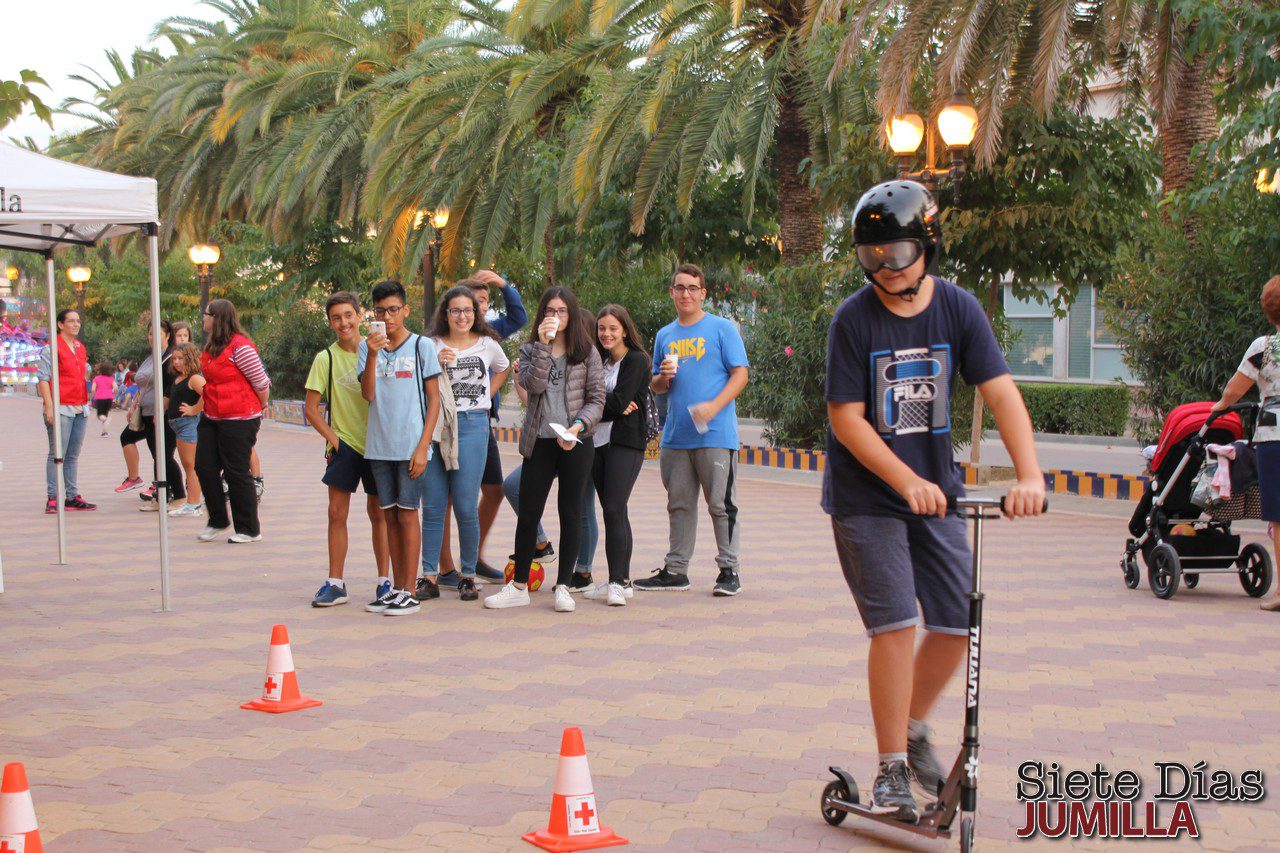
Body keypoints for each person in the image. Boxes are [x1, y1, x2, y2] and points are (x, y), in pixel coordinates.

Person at [825, 180, 1044, 821]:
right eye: (871, 258)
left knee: (955, 621)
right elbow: (847, 420)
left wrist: (1027, 475)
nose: (884, 270)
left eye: (896, 255)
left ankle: (913, 725)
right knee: (894, 624)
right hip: (869, 498)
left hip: (935, 496)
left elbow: (1001, 394)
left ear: (928, 246)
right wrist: (905, 481)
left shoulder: (958, 308)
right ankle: (891, 767)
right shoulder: (853, 320)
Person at [485, 286, 604, 612]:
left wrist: (578, 426)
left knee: (571, 513)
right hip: (539, 440)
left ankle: (564, 586)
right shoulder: (529, 350)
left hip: (575, 442)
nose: (556, 317)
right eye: (550, 311)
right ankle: (519, 584)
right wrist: (542, 345)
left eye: (562, 311)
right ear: (542, 315)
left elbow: (597, 399)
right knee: (529, 514)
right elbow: (533, 387)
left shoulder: (587, 352)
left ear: (572, 315)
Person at [638, 263, 749, 596]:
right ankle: (676, 571)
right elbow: (657, 386)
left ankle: (729, 571)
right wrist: (662, 378)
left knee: (720, 504)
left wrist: (714, 407)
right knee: (679, 505)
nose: (685, 293)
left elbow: (740, 374)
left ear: (703, 293)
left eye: (692, 288)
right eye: (679, 287)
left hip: (716, 434)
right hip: (676, 436)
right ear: (671, 292)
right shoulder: (665, 335)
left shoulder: (721, 329)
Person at [419, 284, 511, 602]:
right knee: (432, 505)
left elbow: (503, 368)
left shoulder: (488, 344)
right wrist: (436, 364)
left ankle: (468, 576)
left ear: (476, 313)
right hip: (437, 424)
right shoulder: (430, 345)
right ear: (446, 314)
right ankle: (429, 576)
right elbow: (419, 386)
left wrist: (488, 393)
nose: (462, 316)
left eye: (468, 310)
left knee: (465, 505)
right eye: (455, 310)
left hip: (473, 425)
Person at [435, 270, 527, 582]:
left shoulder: (491, 334)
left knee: (491, 490)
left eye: (482, 303)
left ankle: (472, 559)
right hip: (446, 424)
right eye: (462, 307)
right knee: (444, 497)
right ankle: (446, 567)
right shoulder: (436, 341)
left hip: (479, 424)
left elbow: (519, 316)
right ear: (450, 311)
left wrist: (503, 282)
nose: (476, 309)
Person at [358, 280, 441, 616]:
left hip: (411, 447)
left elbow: (434, 400)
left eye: (393, 310)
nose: (387, 317)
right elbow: (367, 394)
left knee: (408, 514)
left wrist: (423, 447)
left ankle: (410, 589)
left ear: (406, 310)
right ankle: (395, 587)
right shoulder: (368, 348)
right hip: (379, 447)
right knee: (388, 515)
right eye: (380, 311)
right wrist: (374, 352)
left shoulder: (422, 346)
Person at [304, 291, 391, 607]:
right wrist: (336, 441)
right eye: (336, 318)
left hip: (379, 443)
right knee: (336, 513)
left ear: (359, 316)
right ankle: (336, 582)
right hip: (345, 445)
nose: (343, 322)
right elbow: (312, 409)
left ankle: (384, 582)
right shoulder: (325, 358)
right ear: (329, 322)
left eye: (348, 315)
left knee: (379, 514)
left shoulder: (380, 350)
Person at [1212, 273, 1280, 612]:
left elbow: (1234, 392)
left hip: (1273, 436)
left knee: (1279, 516)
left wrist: (1220, 406)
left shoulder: (1263, 347)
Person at [581, 304, 650, 606]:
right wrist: (610, 404)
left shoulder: (637, 360)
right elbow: (589, 398)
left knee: (613, 507)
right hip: (596, 442)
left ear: (624, 330)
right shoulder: (599, 361)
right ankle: (623, 579)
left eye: (612, 328)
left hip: (625, 442)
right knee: (615, 511)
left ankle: (614, 583)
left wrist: (604, 403)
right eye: (601, 328)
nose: (606, 334)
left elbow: (619, 399)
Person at [194, 299, 270, 543]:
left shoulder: (241, 346)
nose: (203, 319)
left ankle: (249, 529)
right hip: (212, 415)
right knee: (204, 466)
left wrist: (261, 405)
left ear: (217, 317)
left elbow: (261, 382)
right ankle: (217, 519)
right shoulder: (211, 347)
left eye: (206, 315)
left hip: (239, 418)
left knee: (236, 471)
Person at [121, 321, 187, 512]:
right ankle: (161, 496)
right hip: (147, 412)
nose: (152, 337)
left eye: (157, 333)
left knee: (164, 456)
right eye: (150, 333)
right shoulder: (151, 357)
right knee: (156, 455)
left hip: (165, 414)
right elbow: (144, 384)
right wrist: (134, 405)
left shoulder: (171, 357)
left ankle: (180, 496)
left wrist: (162, 409)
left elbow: (172, 386)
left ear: (168, 335)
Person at [37, 308, 95, 512]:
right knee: (57, 452)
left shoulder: (80, 347)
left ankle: (71, 495)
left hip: (80, 406)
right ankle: (52, 497)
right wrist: (50, 406)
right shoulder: (51, 348)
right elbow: (43, 379)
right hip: (60, 407)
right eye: (71, 321)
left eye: (78, 321)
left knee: (72, 455)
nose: (76, 324)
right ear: (60, 325)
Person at [165, 342, 205, 517]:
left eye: (181, 358)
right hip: (179, 426)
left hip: (188, 425)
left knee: (191, 466)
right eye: (174, 359)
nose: (177, 362)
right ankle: (192, 503)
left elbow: (208, 393)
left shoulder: (194, 378)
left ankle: (194, 504)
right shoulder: (179, 378)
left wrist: (194, 409)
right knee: (188, 465)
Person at [91, 361, 116, 436]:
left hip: (100, 398)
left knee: (100, 415)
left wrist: (94, 395)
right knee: (105, 414)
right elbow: (115, 387)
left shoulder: (96, 378)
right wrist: (113, 393)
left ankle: (105, 421)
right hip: (109, 398)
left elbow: (93, 389)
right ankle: (105, 432)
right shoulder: (111, 379)